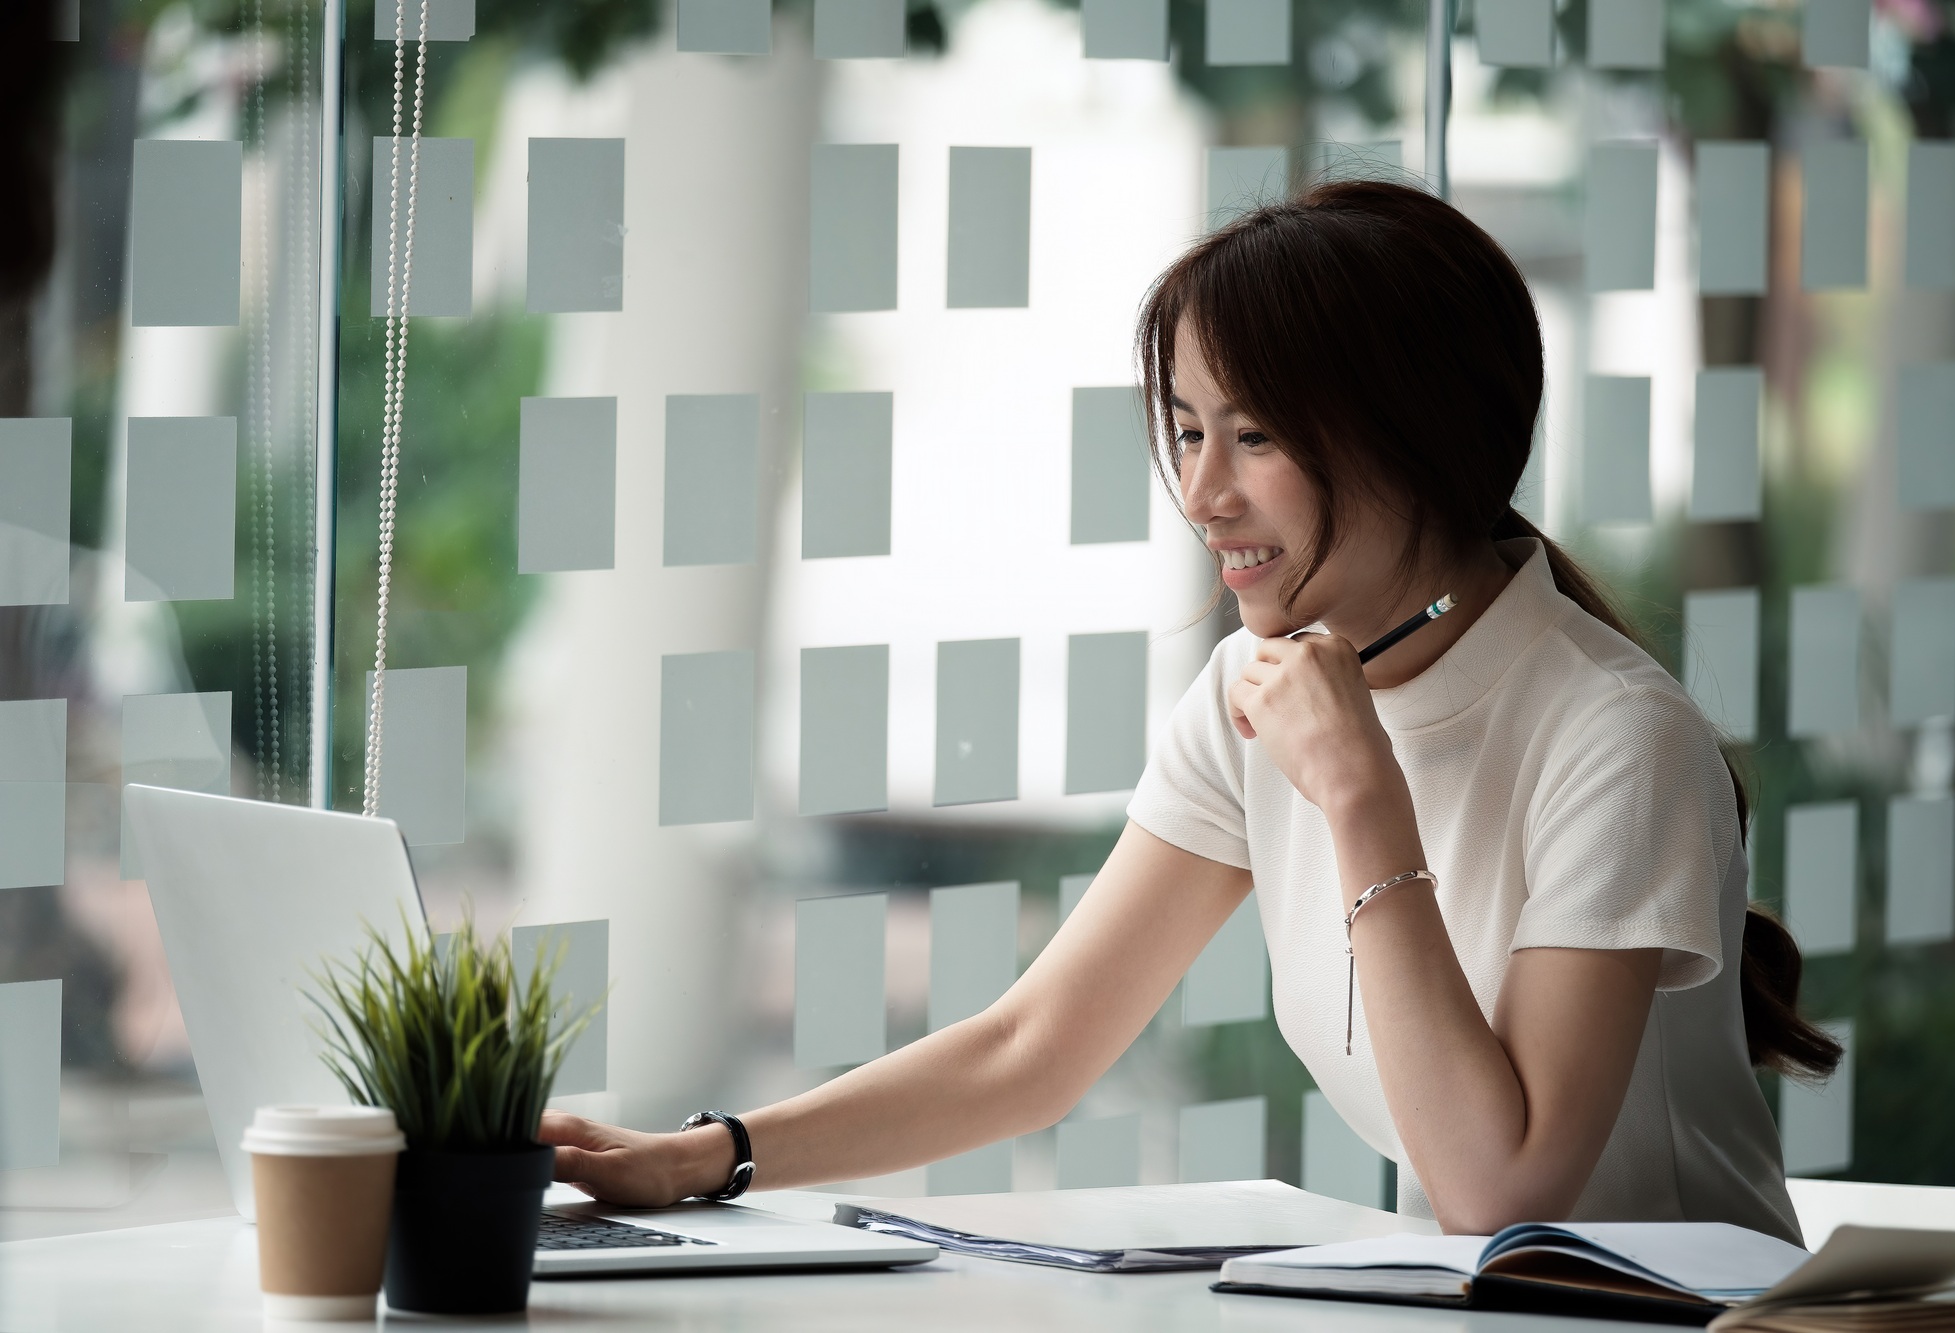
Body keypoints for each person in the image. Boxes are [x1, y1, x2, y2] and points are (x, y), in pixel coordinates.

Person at [539, 178, 1839, 1241]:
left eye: (1256, 436)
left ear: (1420, 437)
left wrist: (1361, 796)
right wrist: (712, 1154)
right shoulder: (1253, 693)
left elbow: (1502, 1190)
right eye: (1185, 430)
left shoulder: (1614, 735)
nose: (1203, 492)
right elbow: (1034, 1045)